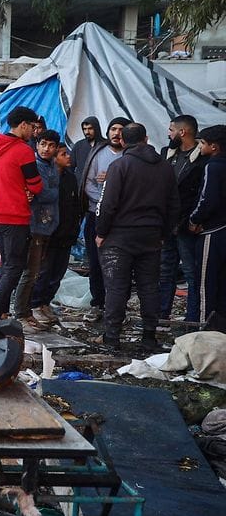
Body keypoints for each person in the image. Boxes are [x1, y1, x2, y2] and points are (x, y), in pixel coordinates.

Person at [95, 123, 179, 350]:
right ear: (147, 138)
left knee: (116, 288)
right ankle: (149, 337)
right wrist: (163, 234)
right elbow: (174, 205)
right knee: (149, 287)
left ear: (122, 141)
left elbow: (107, 204)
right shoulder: (165, 167)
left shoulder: (119, 166)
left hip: (119, 238)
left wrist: (101, 232)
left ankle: (112, 338)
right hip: (151, 237)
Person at [0, 106, 45, 322]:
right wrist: (28, 190)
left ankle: (1, 311)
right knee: (14, 266)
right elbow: (36, 185)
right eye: (33, 127)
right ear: (23, 125)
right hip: (15, 215)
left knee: (7, 263)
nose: (34, 132)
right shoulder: (23, 151)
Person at [79, 117, 130, 321]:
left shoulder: (131, 155)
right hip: (96, 215)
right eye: (113, 129)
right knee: (95, 262)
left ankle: (119, 308)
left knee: (122, 265)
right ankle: (98, 303)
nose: (116, 133)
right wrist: (104, 201)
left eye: (121, 130)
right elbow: (89, 184)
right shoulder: (98, 153)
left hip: (123, 219)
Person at [11, 129, 61, 332]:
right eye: (43, 144)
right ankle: (20, 313)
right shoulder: (34, 166)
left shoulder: (52, 167)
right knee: (29, 272)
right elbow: (40, 192)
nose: (46, 149)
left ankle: (25, 310)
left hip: (47, 224)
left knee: (35, 271)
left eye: (50, 145)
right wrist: (48, 192)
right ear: (37, 145)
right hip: (33, 225)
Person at [159, 115, 208, 322]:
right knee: (165, 272)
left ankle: (192, 317)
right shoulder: (167, 154)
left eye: (171, 130)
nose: (168, 134)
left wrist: (194, 220)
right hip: (166, 224)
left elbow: (203, 194)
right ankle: (161, 314)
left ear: (182, 132)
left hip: (188, 226)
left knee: (191, 274)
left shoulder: (204, 160)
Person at [32, 142, 81, 324]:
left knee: (57, 273)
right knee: (44, 271)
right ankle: (36, 304)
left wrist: (75, 227)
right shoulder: (48, 176)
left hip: (67, 233)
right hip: (49, 232)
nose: (68, 156)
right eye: (63, 154)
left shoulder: (70, 177)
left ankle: (45, 302)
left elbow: (76, 204)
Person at [188, 125, 226, 331]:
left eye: (202, 143)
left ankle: (204, 334)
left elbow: (207, 199)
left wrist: (193, 220)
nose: (199, 146)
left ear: (214, 147)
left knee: (205, 286)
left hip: (213, 232)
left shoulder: (213, 166)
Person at [71, 116, 105, 181]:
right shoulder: (78, 145)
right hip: (81, 186)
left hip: (101, 185)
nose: (87, 132)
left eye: (90, 128)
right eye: (85, 129)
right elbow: (70, 167)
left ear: (96, 128)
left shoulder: (105, 145)